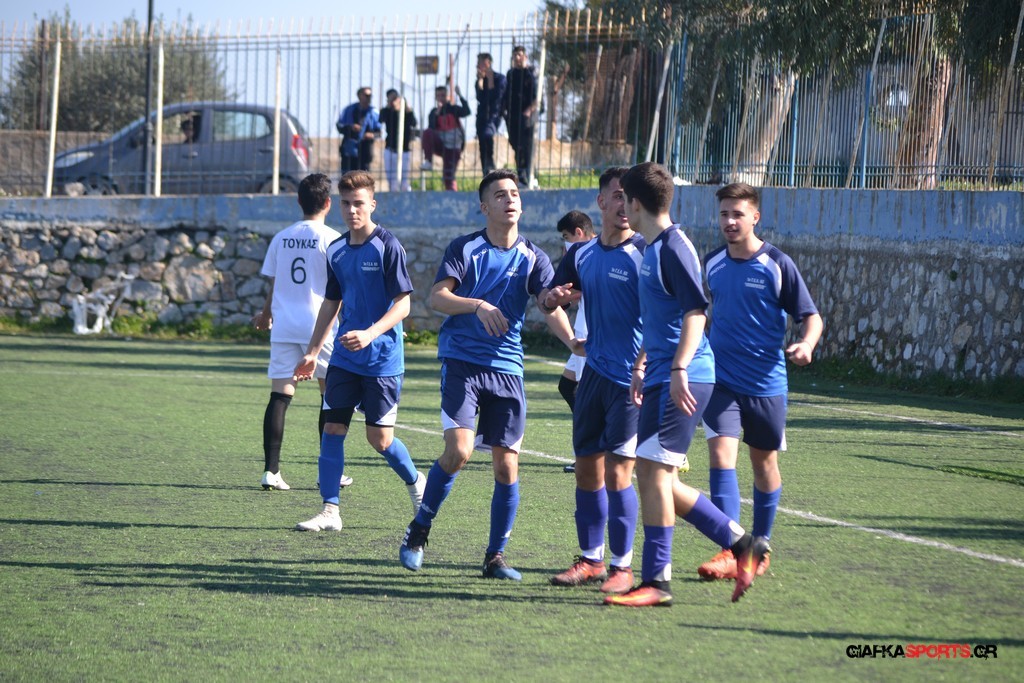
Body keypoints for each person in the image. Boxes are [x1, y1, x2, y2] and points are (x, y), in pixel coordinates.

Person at [398, 169, 581, 580]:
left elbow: (546, 302)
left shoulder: (533, 256)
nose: (509, 199)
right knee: (459, 452)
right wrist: (478, 305)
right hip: (463, 362)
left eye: (514, 193)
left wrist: (566, 328)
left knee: (506, 467)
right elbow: (438, 297)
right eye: (500, 194)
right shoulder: (466, 248)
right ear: (484, 207)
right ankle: (419, 529)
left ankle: (495, 557)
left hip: (507, 369)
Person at [605, 162, 762, 607]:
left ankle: (657, 581)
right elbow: (663, 316)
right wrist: (643, 362)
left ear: (636, 203)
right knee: (655, 476)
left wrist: (677, 369)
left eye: (623, 198)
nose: (622, 206)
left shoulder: (673, 247)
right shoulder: (653, 248)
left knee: (654, 474)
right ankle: (743, 543)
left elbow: (696, 313)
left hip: (685, 377)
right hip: (661, 374)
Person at [696, 182, 823, 582]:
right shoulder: (711, 264)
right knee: (721, 457)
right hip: (720, 380)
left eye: (738, 214)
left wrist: (806, 344)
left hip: (766, 384)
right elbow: (695, 313)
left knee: (763, 463)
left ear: (755, 217)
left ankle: (760, 546)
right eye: (724, 214)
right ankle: (731, 549)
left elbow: (811, 317)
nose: (730, 221)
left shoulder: (777, 264)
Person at [292, 170, 424, 532]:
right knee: (333, 428)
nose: (352, 210)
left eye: (359, 204)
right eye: (346, 204)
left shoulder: (387, 246)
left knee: (380, 440)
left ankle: (416, 482)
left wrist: (370, 333)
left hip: (382, 360)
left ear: (372, 205)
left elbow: (403, 304)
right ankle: (330, 510)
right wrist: (313, 351)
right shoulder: (335, 250)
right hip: (344, 358)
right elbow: (330, 302)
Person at [542, 167, 647, 596]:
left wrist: (644, 365)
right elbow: (549, 296)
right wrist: (552, 300)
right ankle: (591, 559)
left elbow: (667, 318)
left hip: (629, 383)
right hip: (593, 377)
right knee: (587, 469)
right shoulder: (582, 254)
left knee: (619, 473)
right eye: (618, 196)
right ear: (601, 202)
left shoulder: (646, 253)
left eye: (631, 198)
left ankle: (623, 567)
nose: (625, 205)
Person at [252, 173, 341, 492]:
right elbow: (340, 288)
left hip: (285, 326)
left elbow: (276, 282)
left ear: (299, 201)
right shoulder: (333, 239)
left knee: (280, 395)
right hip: (321, 327)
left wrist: (266, 314)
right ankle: (326, 472)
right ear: (328, 203)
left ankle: (271, 471)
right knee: (329, 397)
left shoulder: (281, 237)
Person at [554, 210, 595, 474]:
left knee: (585, 394)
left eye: (566, 237)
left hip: (590, 333)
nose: (565, 243)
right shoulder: (582, 254)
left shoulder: (591, 253)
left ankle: (588, 454)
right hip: (581, 332)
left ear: (579, 233)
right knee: (567, 387)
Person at [420, 85, 472, 191]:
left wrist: (460, 95)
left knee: (448, 176)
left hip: (453, 146)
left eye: (443, 95)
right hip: (441, 144)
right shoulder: (434, 112)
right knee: (427, 133)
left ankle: (452, 194)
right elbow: (431, 128)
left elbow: (467, 111)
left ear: (447, 96)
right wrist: (437, 113)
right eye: (438, 96)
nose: (441, 98)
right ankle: (428, 161)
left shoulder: (453, 109)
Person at [502, 45, 537, 188]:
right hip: (513, 116)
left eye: (520, 55)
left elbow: (536, 97)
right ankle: (522, 176)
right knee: (516, 146)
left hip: (527, 116)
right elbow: (507, 94)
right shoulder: (510, 74)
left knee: (526, 147)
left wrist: (529, 111)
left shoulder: (531, 73)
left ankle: (528, 176)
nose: (517, 58)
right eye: (515, 55)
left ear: (525, 57)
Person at [474, 52, 506, 176]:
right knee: (482, 143)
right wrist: (480, 81)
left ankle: (490, 166)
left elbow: (496, 97)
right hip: (482, 115)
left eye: (480, 63)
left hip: (494, 115)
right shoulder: (480, 80)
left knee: (487, 135)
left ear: (488, 63)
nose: (478, 66)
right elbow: (480, 97)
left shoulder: (499, 78)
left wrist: (490, 79)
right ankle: (486, 172)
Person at [336, 87, 381, 174]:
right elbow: (339, 126)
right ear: (359, 96)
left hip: (365, 151)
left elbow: (379, 132)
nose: (369, 97)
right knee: (347, 175)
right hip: (349, 150)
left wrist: (371, 135)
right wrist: (351, 127)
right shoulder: (349, 110)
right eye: (366, 95)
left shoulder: (373, 112)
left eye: (370, 95)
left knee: (364, 176)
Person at [380, 89, 417, 192]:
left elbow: (414, 122)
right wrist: (389, 105)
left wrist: (405, 106)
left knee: (404, 182)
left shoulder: (406, 112)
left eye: (395, 98)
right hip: (390, 149)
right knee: (392, 182)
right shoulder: (387, 111)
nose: (394, 101)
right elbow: (381, 119)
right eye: (391, 98)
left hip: (404, 150)